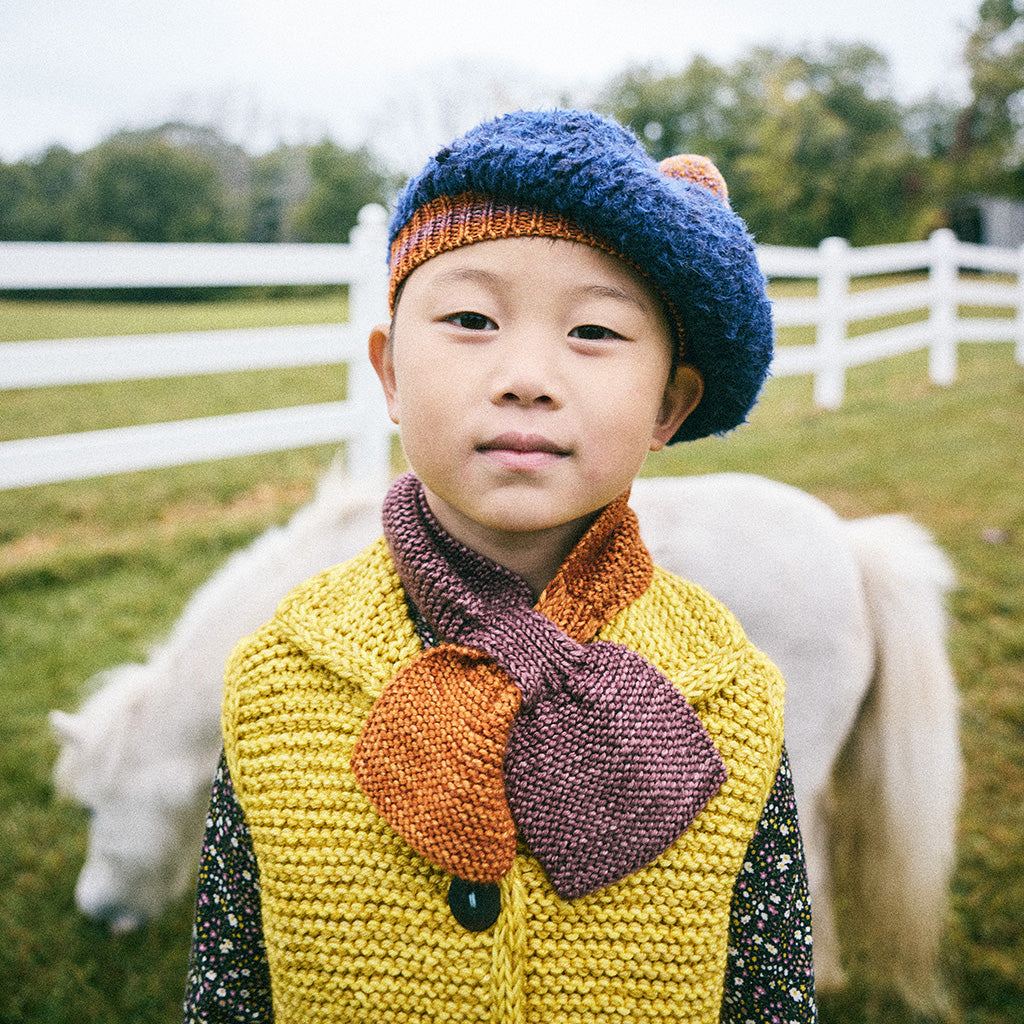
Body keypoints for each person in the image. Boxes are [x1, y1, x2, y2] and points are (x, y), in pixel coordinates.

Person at [184, 108, 816, 1024]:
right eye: (472, 319)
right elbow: (230, 987)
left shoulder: (731, 697)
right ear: (391, 374)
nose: (526, 376)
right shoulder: (278, 681)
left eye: (594, 331)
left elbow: (770, 994)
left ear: (669, 406)